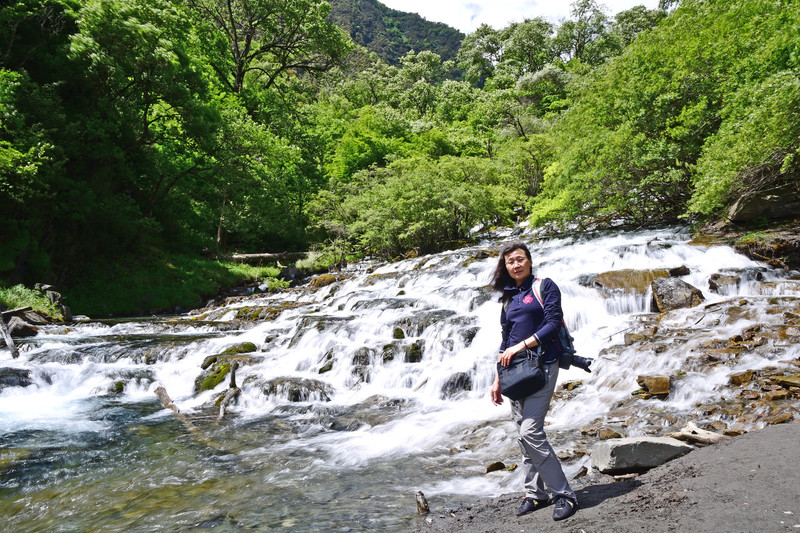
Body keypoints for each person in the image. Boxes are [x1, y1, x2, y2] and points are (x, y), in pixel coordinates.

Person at [490, 242, 578, 521]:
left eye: (520, 259)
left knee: (531, 431)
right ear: (505, 268)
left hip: (542, 364)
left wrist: (522, 346)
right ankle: (535, 494)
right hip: (515, 372)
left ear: (529, 261)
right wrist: (496, 379)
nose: (515, 265)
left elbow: (553, 323)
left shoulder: (544, 286)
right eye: (510, 262)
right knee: (523, 436)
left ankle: (564, 495)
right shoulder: (508, 298)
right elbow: (505, 340)